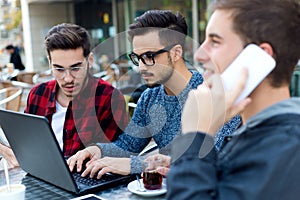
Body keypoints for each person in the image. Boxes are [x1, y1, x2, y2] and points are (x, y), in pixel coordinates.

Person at [67, 10, 241, 179]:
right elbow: (128, 145)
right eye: (137, 58)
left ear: (176, 53)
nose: (141, 67)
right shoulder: (149, 98)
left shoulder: (211, 95)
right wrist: (96, 150)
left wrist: (133, 165)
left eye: (149, 56)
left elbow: (209, 159)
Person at [167, 0, 300, 199]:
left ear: (260, 58)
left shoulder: (286, 150)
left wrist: (195, 139)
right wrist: (192, 167)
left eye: (215, 41)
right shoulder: (269, 137)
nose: (199, 54)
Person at [0, 23, 128, 167]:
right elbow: (26, 144)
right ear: (50, 63)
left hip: (89, 182)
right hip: (41, 176)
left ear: (90, 60)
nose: (68, 78)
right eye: (59, 69)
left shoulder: (109, 98)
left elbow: (121, 152)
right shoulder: (37, 94)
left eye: (75, 68)